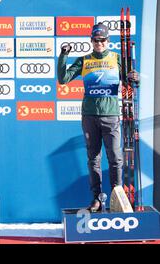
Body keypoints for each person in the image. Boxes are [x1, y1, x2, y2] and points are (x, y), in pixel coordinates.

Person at [57, 22, 139, 212]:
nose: (99, 43)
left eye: (102, 40)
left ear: (108, 41)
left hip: (111, 115)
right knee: (93, 159)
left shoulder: (117, 58)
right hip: (90, 116)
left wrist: (136, 78)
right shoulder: (84, 60)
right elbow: (63, 79)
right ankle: (96, 199)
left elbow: (130, 82)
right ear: (91, 40)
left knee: (115, 158)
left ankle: (117, 196)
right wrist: (64, 55)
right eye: (96, 40)